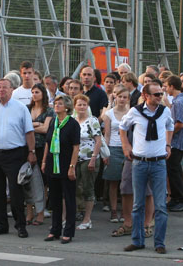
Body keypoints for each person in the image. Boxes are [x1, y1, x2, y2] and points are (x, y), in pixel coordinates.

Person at [120, 82, 173, 254]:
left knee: (160, 206)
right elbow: (122, 127)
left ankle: (159, 243)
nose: (160, 97)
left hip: (158, 163)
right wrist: (126, 146)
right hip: (140, 162)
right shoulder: (135, 111)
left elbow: (170, 126)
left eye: (161, 93)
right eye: (156, 94)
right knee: (138, 204)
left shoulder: (164, 111)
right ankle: (137, 240)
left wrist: (168, 144)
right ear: (146, 95)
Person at [0, 78, 36, 237]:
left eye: (4, 88)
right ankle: (1, 224)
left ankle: (20, 225)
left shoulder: (21, 108)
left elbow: (29, 132)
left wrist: (31, 151)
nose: (1, 90)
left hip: (15, 154)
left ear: (12, 90)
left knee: (16, 192)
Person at [41, 95, 80, 244]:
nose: (56, 106)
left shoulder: (72, 124)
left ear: (67, 107)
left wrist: (72, 167)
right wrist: (44, 161)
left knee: (69, 199)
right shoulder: (53, 122)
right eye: (55, 103)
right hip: (52, 164)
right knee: (55, 199)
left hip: (65, 164)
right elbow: (47, 142)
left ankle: (68, 231)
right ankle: (55, 229)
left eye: (60, 104)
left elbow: (76, 147)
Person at [26, 83, 54, 225]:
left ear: (43, 93)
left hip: (43, 148)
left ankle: (40, 213)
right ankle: (29, 212)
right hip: (28, 147)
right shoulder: (27, 108)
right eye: (32, 92)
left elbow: (45, 129)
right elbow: (22, 127)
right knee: (27, 180)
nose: (34, 94)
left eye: (37, 92)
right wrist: (37, 124)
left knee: (42, 182)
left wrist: (31, 125)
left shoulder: (49, 110)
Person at [73, 94, 102, 230]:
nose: (82, 107)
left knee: (88, 189)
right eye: (79, 104)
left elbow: (98, 140)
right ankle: (74, 214)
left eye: (84, 104)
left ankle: (87, 219)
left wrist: (93, 158)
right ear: (75, 106)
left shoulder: (92, 120)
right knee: (74, 188)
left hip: (88, 159)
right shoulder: (72, 120)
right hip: (75, 159)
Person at [103, 86, 130, 222]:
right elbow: (106, 135)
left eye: (125, 97)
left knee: (126, 182)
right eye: (120, 96)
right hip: (113, 148)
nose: (122, 99)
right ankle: (113, 211)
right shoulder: (109, 114)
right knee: (113, 182)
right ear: (116, 97)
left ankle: (126, 212)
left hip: (127, 149)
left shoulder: (132, 113)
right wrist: (106, 153)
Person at [164, 75, 183, 212]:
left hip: (177, 142)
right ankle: (177, 197)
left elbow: (178, 124)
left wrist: (169, 137)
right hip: (177, 141)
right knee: (176, 170)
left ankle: (178, 198)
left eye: (166, 86)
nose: (165, 89)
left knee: (173, 169)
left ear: (172, 86)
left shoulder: (178, 102)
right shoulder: (178, 101)